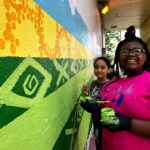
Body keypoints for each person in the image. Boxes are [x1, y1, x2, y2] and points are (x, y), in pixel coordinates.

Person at [99, 25, 150, 150]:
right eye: (125, 51)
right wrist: (94, 109)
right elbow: (105, 116)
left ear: (145, 56)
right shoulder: (112, 84)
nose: (131, 55)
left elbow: (121, 121)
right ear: (118, 57)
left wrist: (128, 124)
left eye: (137, 51)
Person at [80, 56, 112, 150]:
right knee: (98, 142)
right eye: (96, 67)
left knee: (106, 144)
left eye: (102, 67)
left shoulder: (111, 85)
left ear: (108, 70)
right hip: (95, 120)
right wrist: (86, 94)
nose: (99, 70)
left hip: (106, 122)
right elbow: (92, 100)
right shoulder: (93, 83)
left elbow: (112, 106)